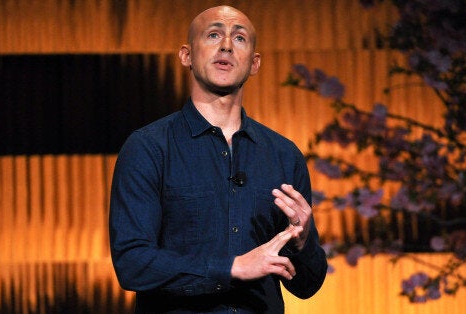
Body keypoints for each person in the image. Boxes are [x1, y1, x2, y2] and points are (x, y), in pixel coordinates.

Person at [109, 5, 327, 313]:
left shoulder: (283, 155)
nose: (226, 44)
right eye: (213, 34)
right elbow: (132, 263)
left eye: (239, 38)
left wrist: (303, 242)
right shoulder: (148, 147)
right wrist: (232, 267)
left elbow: (307, 285)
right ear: (186, 55)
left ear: (254, 63)